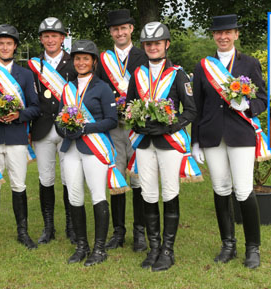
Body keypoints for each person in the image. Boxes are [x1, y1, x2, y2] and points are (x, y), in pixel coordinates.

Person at [191, 14, 270, 269]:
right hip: (212, 135)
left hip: (240, 134)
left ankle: (252, 248)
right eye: (218, 33)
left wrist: (246, 106)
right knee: (221, 189)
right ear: (213, 36)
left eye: (228, 32)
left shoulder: (248, 63)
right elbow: (197, 106)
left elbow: (262, 99)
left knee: (244, 190)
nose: (223, 37)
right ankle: (228, 245)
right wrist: (195, 141)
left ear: (236, 34)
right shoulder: (203, 66)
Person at [126, 22, 196, 272]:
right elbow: (130, 106)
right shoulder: (137, 74)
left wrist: (168, 126)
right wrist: (137, 123)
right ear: (144, 46)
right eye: (148, 44)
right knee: (148, 194)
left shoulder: (178, 73)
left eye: (157, 43)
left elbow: (190, 111)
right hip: (145, 142)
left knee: (169, 192)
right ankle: (153, 247)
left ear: (166, 44)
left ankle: (168, 250)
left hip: (168, 143)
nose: (152, 47)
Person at [57, 39, 122, 266]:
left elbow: (111, 121)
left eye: (86, 58)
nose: (81, 62)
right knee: (74, 196)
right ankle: (82, 246)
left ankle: (100, 249)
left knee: (97, 195)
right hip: (71, 148)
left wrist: (85, 128)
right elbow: (59, 119)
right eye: (77, 59)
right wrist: (64, 128)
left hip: (95, 148)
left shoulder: (102, 88)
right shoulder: (67, 87)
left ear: (93, 61)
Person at [0, 24, 40, 250]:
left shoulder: (25, 74)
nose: (5, 47)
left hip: (17, 138)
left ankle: (22, 232)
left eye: (9, 44)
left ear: (15, 47)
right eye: (0, 43)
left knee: (19, 185)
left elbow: (35, 107)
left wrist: (19, 115)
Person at [96, 8, 148, 252]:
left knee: (138, 179)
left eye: (123, 28)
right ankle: (118, 232)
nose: (119, 32)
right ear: (111, 32)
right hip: (113, 127)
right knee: (116, 179)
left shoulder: (144, 55)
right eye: (115, 29)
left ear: (131, 30)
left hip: (137, 127)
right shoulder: (102, 60)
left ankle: (140, 232)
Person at [27, 17, 77, 245]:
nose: (50, 40)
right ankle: (48, 227)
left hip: (67, 128)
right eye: (46, 36)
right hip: (42, 128)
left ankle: (71, 225)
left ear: (62, 38)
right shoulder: (34, 65)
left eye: (54, 36)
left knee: (69, 178)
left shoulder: (74, 62)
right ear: (41, 39)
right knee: (45, 178)